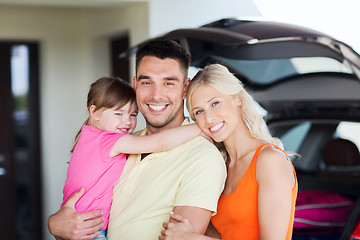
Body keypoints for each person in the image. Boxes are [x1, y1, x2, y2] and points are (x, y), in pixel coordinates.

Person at [48, 39, 227, 240]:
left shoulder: (203, 157)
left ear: (185, 88)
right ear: (135, 85)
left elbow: (182, 237)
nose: (156, 95)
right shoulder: (125, 143)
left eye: (168, 83)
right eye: (147, 82)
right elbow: (78, 222)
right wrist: (57, 225)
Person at [159, 64, 298, 240]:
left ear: (238, 99)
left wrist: (191, 238)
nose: (208, 118)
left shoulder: (270, 160)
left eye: (215, 103)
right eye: (199, 111)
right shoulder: (219, 166)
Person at [61, 76, 205, 240]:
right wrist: (202, 125)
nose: (127, 121)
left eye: (133, 114)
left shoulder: (88, 137)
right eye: (118, 113)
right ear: (94, 112)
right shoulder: (107, 140)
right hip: (90, 232)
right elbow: (159, 142)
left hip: (81, 227)